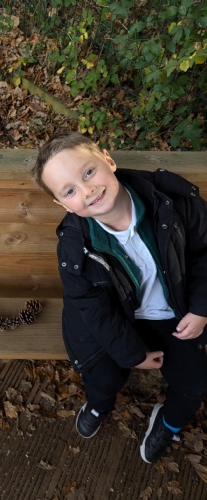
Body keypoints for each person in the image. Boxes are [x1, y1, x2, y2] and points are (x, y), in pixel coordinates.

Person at [31, 131, 207, 463]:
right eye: (70, 191)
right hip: (114, 318)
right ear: (63, 205)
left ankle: (168, 423)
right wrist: (133, 354)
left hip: (176, 312)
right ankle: (99, 405)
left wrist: (201, 308)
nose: (87, 190)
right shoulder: (74, 246)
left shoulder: (173, 202)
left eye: (88, 172)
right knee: (103, 376)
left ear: (108, 161)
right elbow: (90, 305)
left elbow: (205, 252)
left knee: (194, 382)